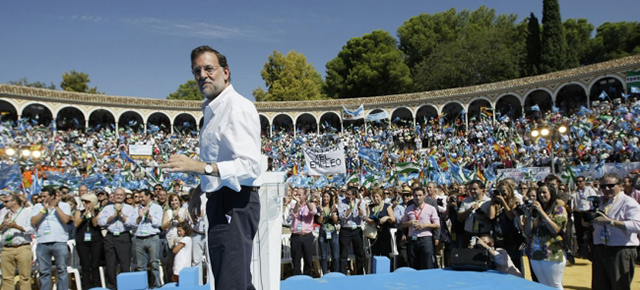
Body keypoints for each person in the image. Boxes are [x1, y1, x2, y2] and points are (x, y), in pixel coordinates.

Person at [162, 45, 262, 290]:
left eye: (209, 68)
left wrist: (198, 166)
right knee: (232, 281)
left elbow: (250, 166)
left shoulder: (237, 107)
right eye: (197, 71)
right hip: (221, 199)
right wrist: (201, 188)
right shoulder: (212, 111)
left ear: (225, 72)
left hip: (236, 201)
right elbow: (222, 158)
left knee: (231, 283)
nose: (202, 75)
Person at [583, 173, 640, 290]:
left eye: (610, 185)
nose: (606, 189)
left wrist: (611, 222)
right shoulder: (599, 202)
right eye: (603, 186)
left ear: (620, 186)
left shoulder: (628, 202)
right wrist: (587, 221)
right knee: (599, 286)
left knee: (619, 286)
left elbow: (637, 225)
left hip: (620, 250)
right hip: (600, 248)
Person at [524, 183, 567, 289]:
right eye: (539, 193)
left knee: (555, 284)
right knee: (542, 284)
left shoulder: (559, 208)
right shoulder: (536, 209)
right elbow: (528, 232)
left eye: (544, 192)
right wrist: (530, 216)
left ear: (551, 193)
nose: (541, 195)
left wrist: (541, 212)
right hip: (536, 251)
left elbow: (555, 229)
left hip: (553, 252)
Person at [31, 186, 71, 290]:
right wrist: (44, 209)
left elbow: (66, 220)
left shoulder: (64, 205)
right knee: (44, 271)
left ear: (52, 196)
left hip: (59, 242)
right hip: (43, 243)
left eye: (45, 196)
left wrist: (56, 207)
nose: (42, 198)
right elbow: (33, 221)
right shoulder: (37, 207)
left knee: (62, 269)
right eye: (41, 196)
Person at [98, 188, 134, 290]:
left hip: (123, 236)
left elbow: (131, 223)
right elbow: (101, 222)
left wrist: (121, 214)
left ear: (124, 197)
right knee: (110, 264)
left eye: (121, 195)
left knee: (125, 263)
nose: (118, 196)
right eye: (117, 195)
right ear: (113, 196)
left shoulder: (129, 208)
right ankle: (112, 286)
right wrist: (113, 216)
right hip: (110, 236)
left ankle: (125, 286)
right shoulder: (107, 208)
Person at [488, 180, 524, 274]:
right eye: (500, 191)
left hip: (512, 237)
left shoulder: (515, 200)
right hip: (499, 238)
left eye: (504, 191)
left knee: (514, 265)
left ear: (509, 190)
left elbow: (511, 216)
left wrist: (503, 202)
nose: (502, 194)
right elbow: (491, 216)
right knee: (500, 264)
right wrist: (493, 201)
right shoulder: (496, 203)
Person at [131, 189, 163, 288]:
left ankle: (156, 285)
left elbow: (158, 223)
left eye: (142, 197)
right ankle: (142, 286)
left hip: (152, 238)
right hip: (139, 238)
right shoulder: (136, 208)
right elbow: (131, 223)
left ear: (149, 196)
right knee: (140, 265)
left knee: (154, 263)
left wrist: (149, 216)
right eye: (139, 197)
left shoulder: (157, 207)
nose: (140, 199)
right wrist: (139, 217)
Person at [0, 194, 33, 290]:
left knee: (25, 277)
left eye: (6, 201)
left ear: (14, 201)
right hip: (7, 248)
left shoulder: (27, 212)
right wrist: (3, 224)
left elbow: (30, 229)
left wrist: (16, 226)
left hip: (22, 247)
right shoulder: (3, 214)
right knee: (6, 278)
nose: (4, 203)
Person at [402, 187, 440, 269]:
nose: (418, 198)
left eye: (420, 195)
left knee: (428, 263)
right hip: (413, 239)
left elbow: (437, 224)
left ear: (424, 196)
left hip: (426, 239)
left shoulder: (431, 208)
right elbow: (403, 224)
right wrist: (409, 223)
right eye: (416, 195)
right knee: (414, 263)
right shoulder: (409, 209)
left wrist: (425, 225)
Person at [74, 193, 103, 289]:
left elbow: (95, 224)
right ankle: (85, 286)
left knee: (95, 265)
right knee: (85, 265)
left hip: (95, 240)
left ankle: (96, 286)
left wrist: (91, 214)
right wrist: (84, 216)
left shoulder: (99, 211)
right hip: (82, 241)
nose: (84, 203)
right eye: (83, 201)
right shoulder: (79, 212)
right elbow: (76, 224)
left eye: (87, 201)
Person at [338, 186, 367, 275]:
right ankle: (342, 273)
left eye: (349, 195)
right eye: (346, 194)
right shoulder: (341, 202)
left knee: (359, 253)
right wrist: (350, 208)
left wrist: (358, 208)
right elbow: (342, 217)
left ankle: (359, 273)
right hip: (345, 230)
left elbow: (363, 217)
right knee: (343, 254)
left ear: (354, 195)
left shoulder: (360, 202)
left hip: (356, 230)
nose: (346, 196)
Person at [289, 188, 317, 276]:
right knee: (296, 259)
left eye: (299, 195)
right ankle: (297, 276)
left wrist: (307, 201)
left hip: (307, 236)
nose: (297, 196)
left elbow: (313, 212)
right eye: (297, 194)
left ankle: (307, 276)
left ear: (305, 196)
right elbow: (294, 214)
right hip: (296, 236)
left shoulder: (311, 205)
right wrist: (297, 203)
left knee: (308, 259)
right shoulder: (294, 205)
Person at [457, 180, 491, 246]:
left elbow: (492, 220)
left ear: (482, 189)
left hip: (484, 235)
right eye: (471, 189)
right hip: (469, 234)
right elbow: (459, 217)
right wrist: (469, 210)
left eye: (475, 189)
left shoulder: (488, 202)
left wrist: (483, 217)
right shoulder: (466, 201)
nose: (472, 191)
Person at [571, 175, 598, 257]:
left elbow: (595, 199)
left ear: (584, 182)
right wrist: (573, 191)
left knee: (590, 232)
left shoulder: (590, 190)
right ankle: (582, 251)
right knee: (579, 233)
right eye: (577, 182)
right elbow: (570, 199)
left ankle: (592, 251)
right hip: (578, 213)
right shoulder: (575, 192)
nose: (578, 183)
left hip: (587, 212)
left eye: (580, 181)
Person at [365, 188, 395, 257]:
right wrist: (375, 222)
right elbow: (367, 218)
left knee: (385, 253)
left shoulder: (387, 206)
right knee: (375, 254)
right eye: (374, 197)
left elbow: (393, 219)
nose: (375, 199)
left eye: (377, 196)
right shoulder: (370, 207)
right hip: (374, 234)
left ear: (381, 197)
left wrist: (387, 218)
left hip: (384, 233)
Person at [317, 190, 339, 274]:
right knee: (323, 255)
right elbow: (319, 221)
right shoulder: (319, 208)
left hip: (332, 232)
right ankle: (325, 273)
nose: (325, 198)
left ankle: (336, 273)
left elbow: (336, 221)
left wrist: (333, 213)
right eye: (324, 197)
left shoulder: (334, 208)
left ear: (330, 198)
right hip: (323, 232)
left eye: (327, 197)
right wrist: (322, 213)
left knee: (335, 255)